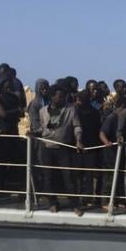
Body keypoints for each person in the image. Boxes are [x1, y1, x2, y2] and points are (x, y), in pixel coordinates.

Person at [31, 84, 84, 215]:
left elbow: (77, 126)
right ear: (52, 97)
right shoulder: (43, 111)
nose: (62, 99)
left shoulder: (71, 109)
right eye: (60, 97)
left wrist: (78, 140)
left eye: (64, 96)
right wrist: (33, 133)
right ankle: (53, 203)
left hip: (63, 147)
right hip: (47, 147)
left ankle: (75, 205)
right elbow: (43, 128)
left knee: (68, 177)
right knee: (48, 177)